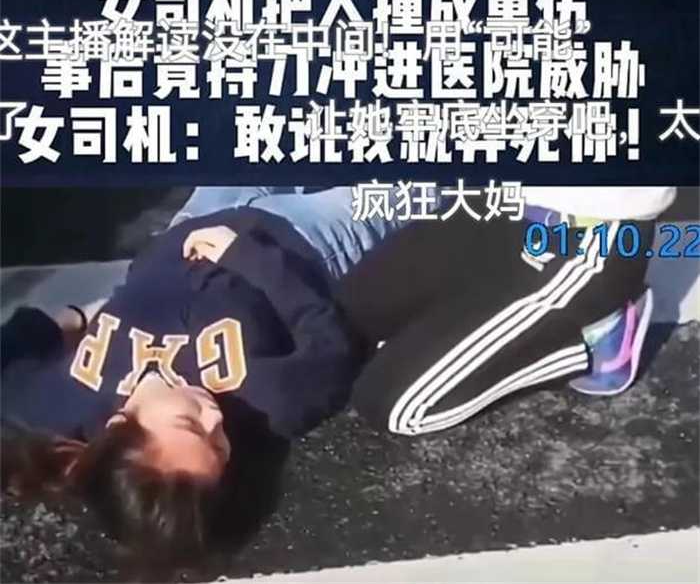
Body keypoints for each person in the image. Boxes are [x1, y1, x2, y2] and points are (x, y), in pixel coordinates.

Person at [0, 186, 409, 566]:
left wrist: (69, 319)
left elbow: (9, 358)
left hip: (195, 220)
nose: (214, 417)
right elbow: (330, 343)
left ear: (118, 424)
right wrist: (249, 256)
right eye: (220, 445)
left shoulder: (68, 403)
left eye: (190, 424)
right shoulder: (268, 406)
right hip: (305, 235)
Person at [335, 186, 676, 435]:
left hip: (586, 233)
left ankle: (596, 337)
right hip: (494, 199)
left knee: (394, 406)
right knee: (341, 322)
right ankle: (478, 313)